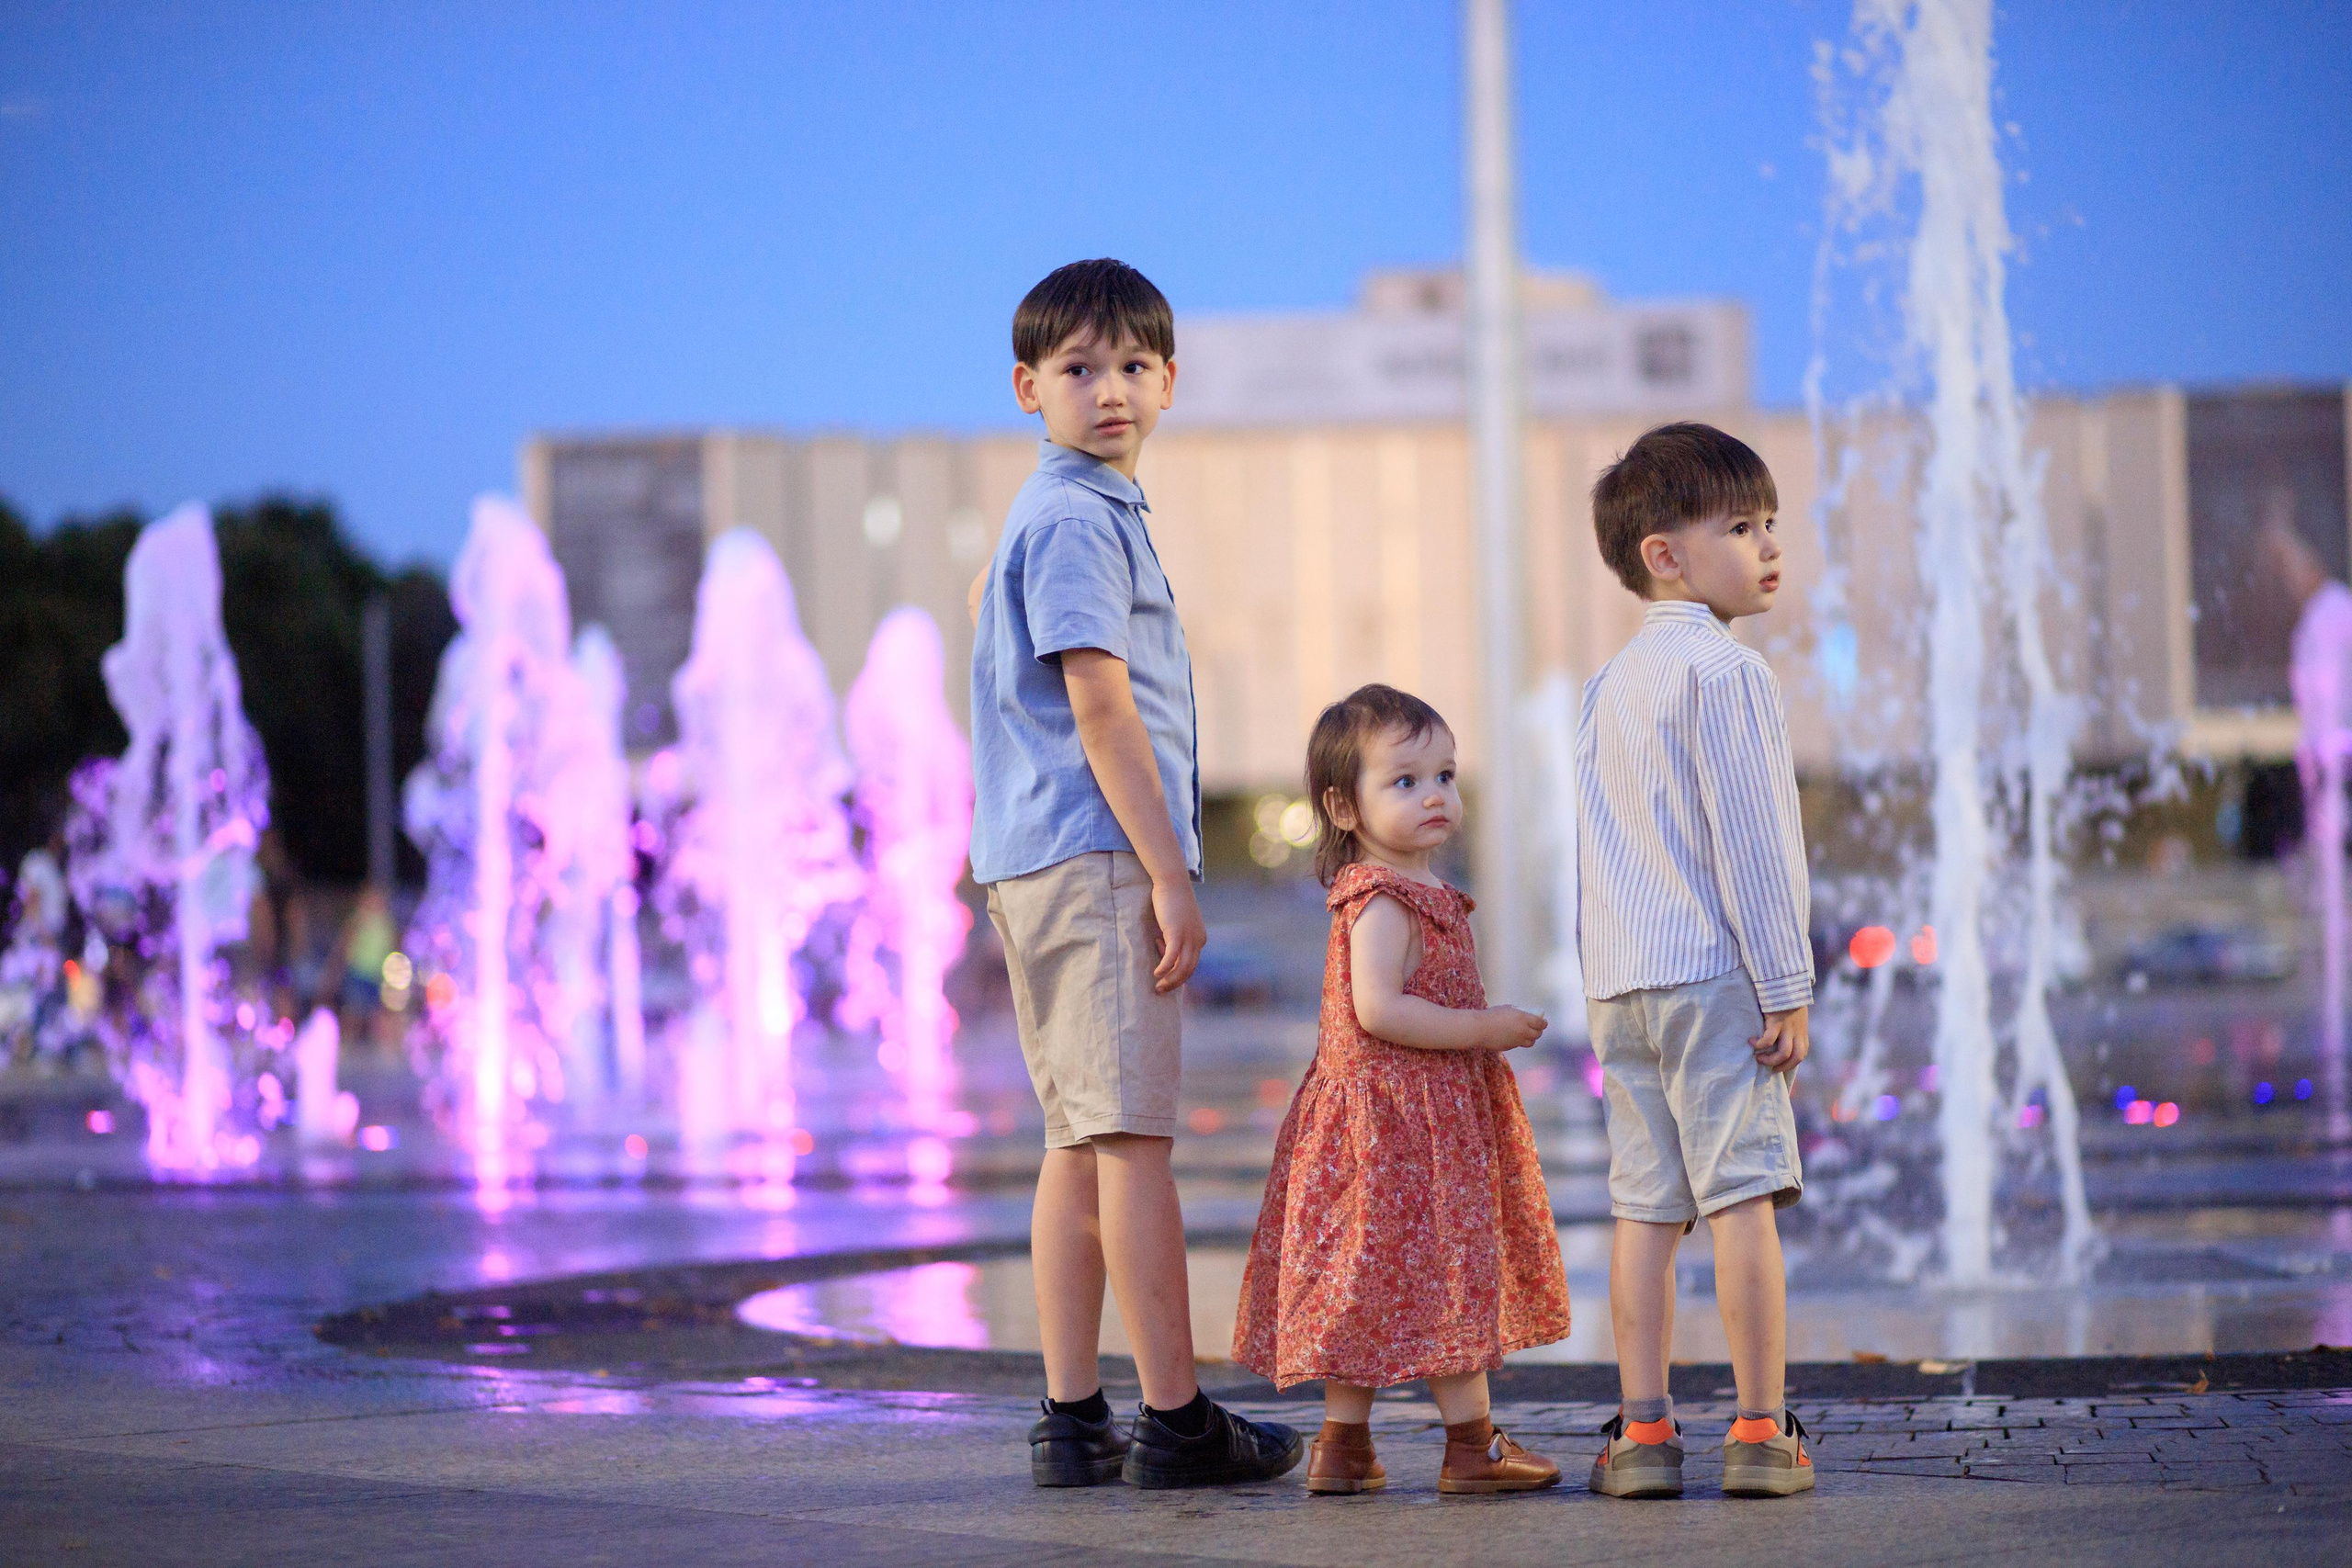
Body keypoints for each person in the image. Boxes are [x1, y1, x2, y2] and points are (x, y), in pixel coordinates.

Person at [967, 258, 1302, 1490]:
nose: (1107, 389)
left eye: (1130, 366)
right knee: (1135, 1143)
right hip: (1094, 851)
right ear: (1026, 386)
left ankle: (1071, 1416)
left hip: (1035, 853)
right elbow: (1102, 704)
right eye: (1077, 368)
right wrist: (1170, 871)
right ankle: (1175, 1416)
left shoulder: (1052, 514)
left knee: (1080, 1137)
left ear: (1170, 380)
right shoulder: (1073, 518)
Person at [1234, 683, 1571, 1496]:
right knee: (1446, 1274)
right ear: (1343, 806)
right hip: (1397, 1132)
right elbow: (1379, 1010)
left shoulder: (1414, 893)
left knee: (1369, 1284)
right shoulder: (1381, 900)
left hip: (1399, 1128)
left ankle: (1343, 1449)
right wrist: (1486, 1027)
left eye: (1446, 775)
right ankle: (1471, 1447)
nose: (1436, 796)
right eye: (1406, 780)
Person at [1576, 423, 1815, 1499]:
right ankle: (1760, 1430)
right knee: (1741, 1199)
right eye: (1740, 527)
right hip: (1714, 976)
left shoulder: (1607, 686)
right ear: (1663, 554)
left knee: (1642, 1209)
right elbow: (1755, 848)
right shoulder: (1727, 673)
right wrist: (1788, 987)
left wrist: (1599, 978)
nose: (1768, 547)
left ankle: (1642, 1435)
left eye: (1771, 525)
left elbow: (1598, 848)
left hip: (1621, 984)